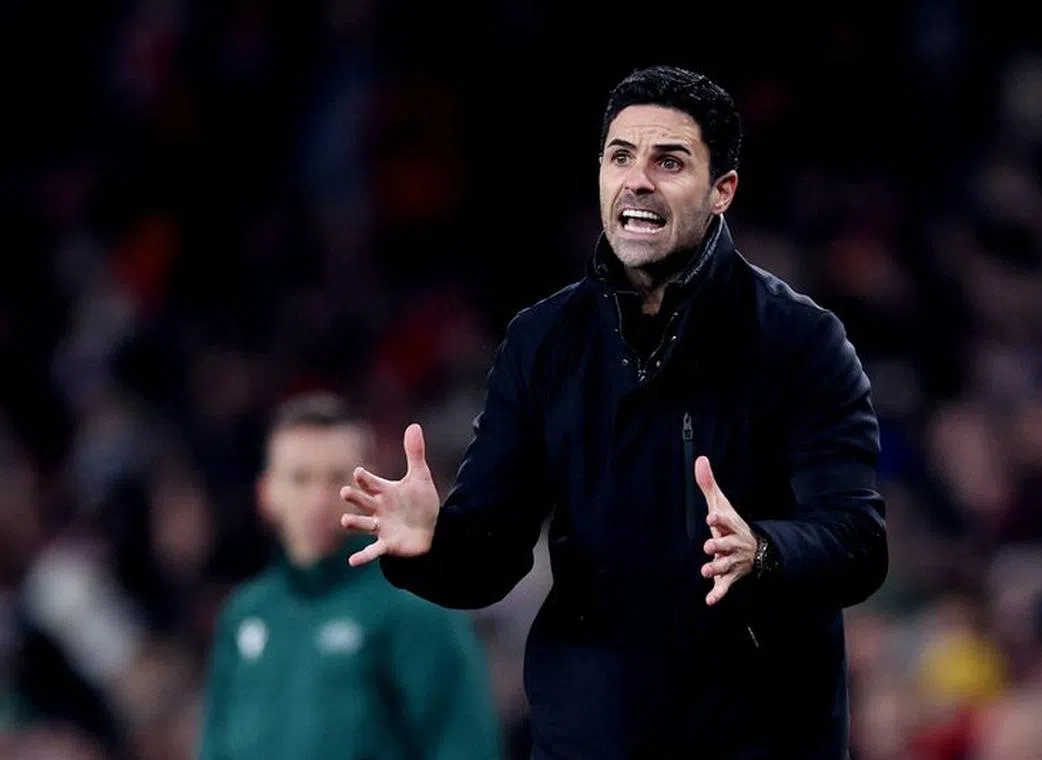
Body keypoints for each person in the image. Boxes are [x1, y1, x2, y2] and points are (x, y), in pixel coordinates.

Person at [340, 65, 889, 760]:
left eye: (669, 161)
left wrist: (768, 552)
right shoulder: (543, 341)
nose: (638, 179)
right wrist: (427, 549)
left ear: (723, 190)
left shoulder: (800, 341)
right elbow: (492, 556)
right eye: (621, 157)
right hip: (593, 735)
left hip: (758, 735)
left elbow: (858, 543)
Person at [199, 393, 502, 760]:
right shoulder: (244, 613)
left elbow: (463, 745)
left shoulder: (413, 609)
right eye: (300, 479)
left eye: (336, 478)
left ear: (369, 484)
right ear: (266, 494)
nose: (318, 499)